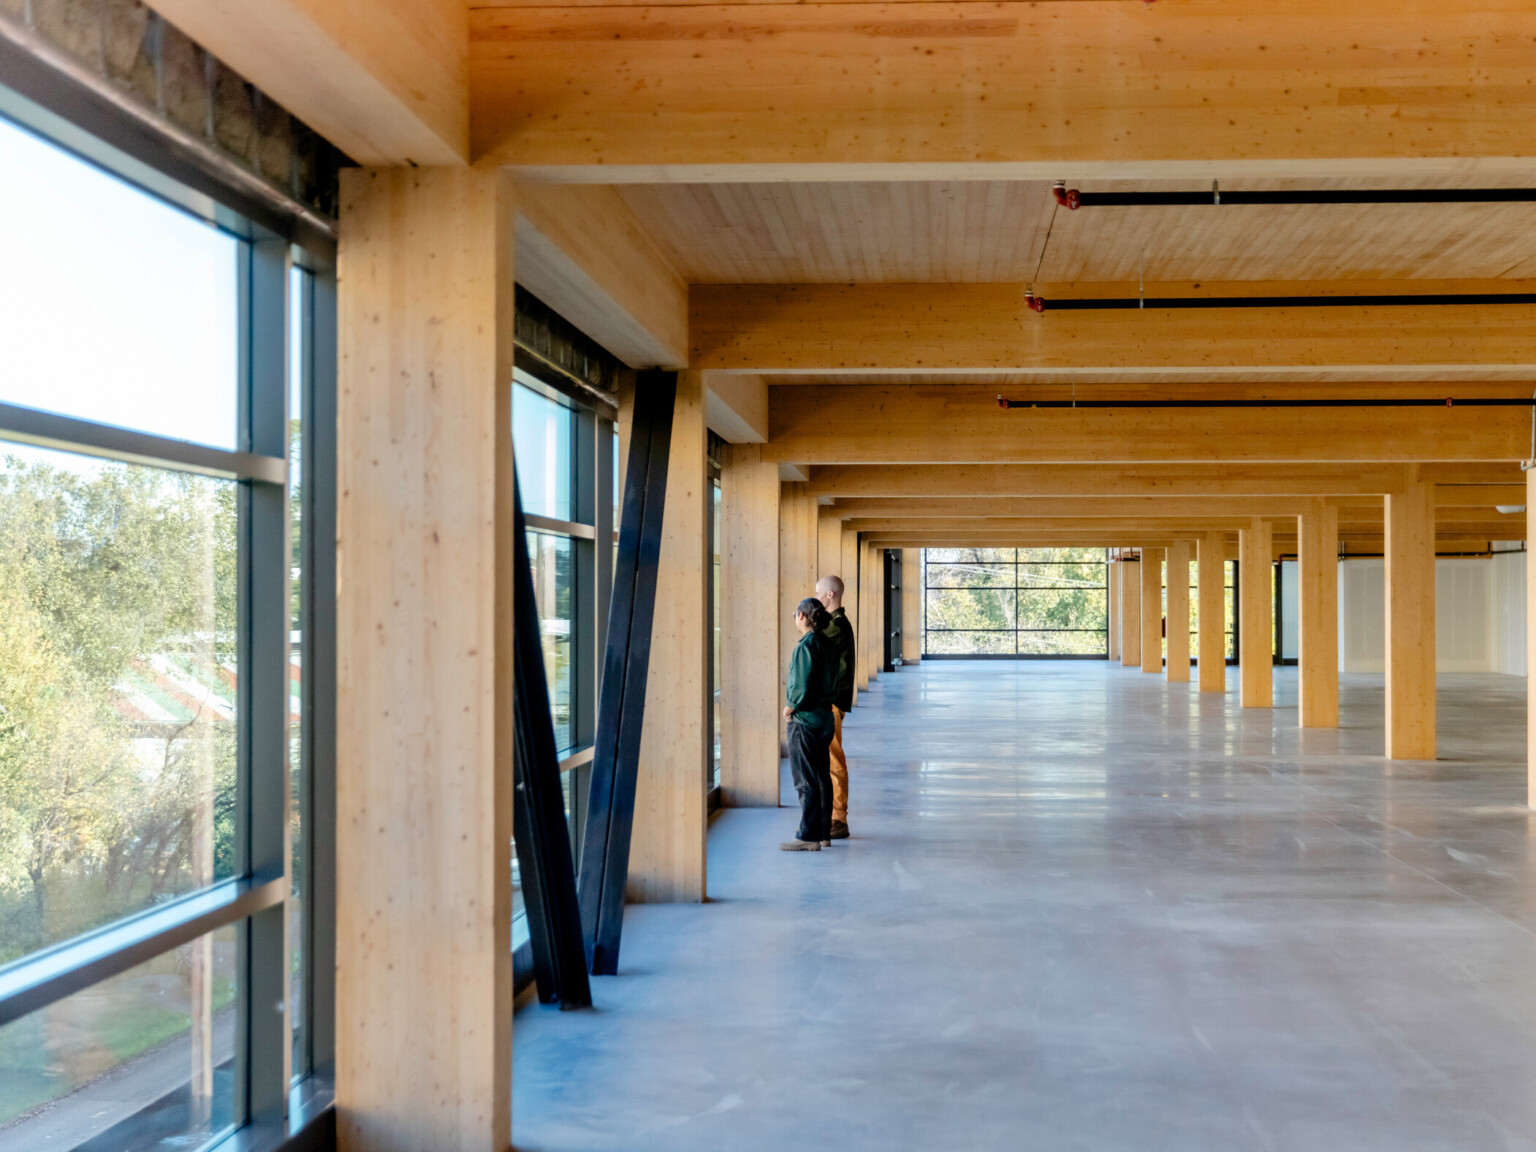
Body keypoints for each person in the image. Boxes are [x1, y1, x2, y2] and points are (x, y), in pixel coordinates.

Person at [781, 597, 837, 851]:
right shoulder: (827, 644)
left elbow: (801, 683)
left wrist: (790, 705)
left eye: (795, 614)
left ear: (802, 616)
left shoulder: (806, 646)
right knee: (821, 777)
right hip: (824, 718)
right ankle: (823, 832)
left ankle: (808, 836)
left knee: (805, 780)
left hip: (805, 721)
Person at [816, 574, 855, 839]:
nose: (816, 598)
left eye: (818, 593)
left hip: (831, 702)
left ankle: (838, 819)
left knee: (833, 759)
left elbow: (813, 644)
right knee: (828, 759)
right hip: (827, 700)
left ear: (830, 595)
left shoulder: (837, 625)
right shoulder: (834, 623)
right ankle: (831, 815)